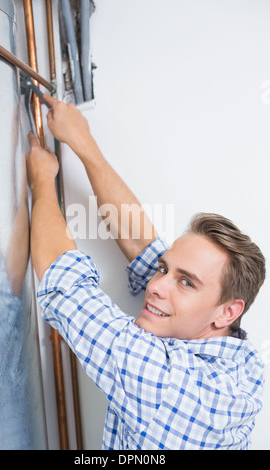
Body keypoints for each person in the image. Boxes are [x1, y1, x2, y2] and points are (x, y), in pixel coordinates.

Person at [25, 94, 266, 450]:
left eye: (186, 282)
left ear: (228, 311)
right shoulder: (240, 364)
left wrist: (42, 181)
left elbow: (67, 284)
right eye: (164, 270)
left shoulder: (167, 386)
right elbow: (144, 247)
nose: (156, 285)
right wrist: (82, 142)